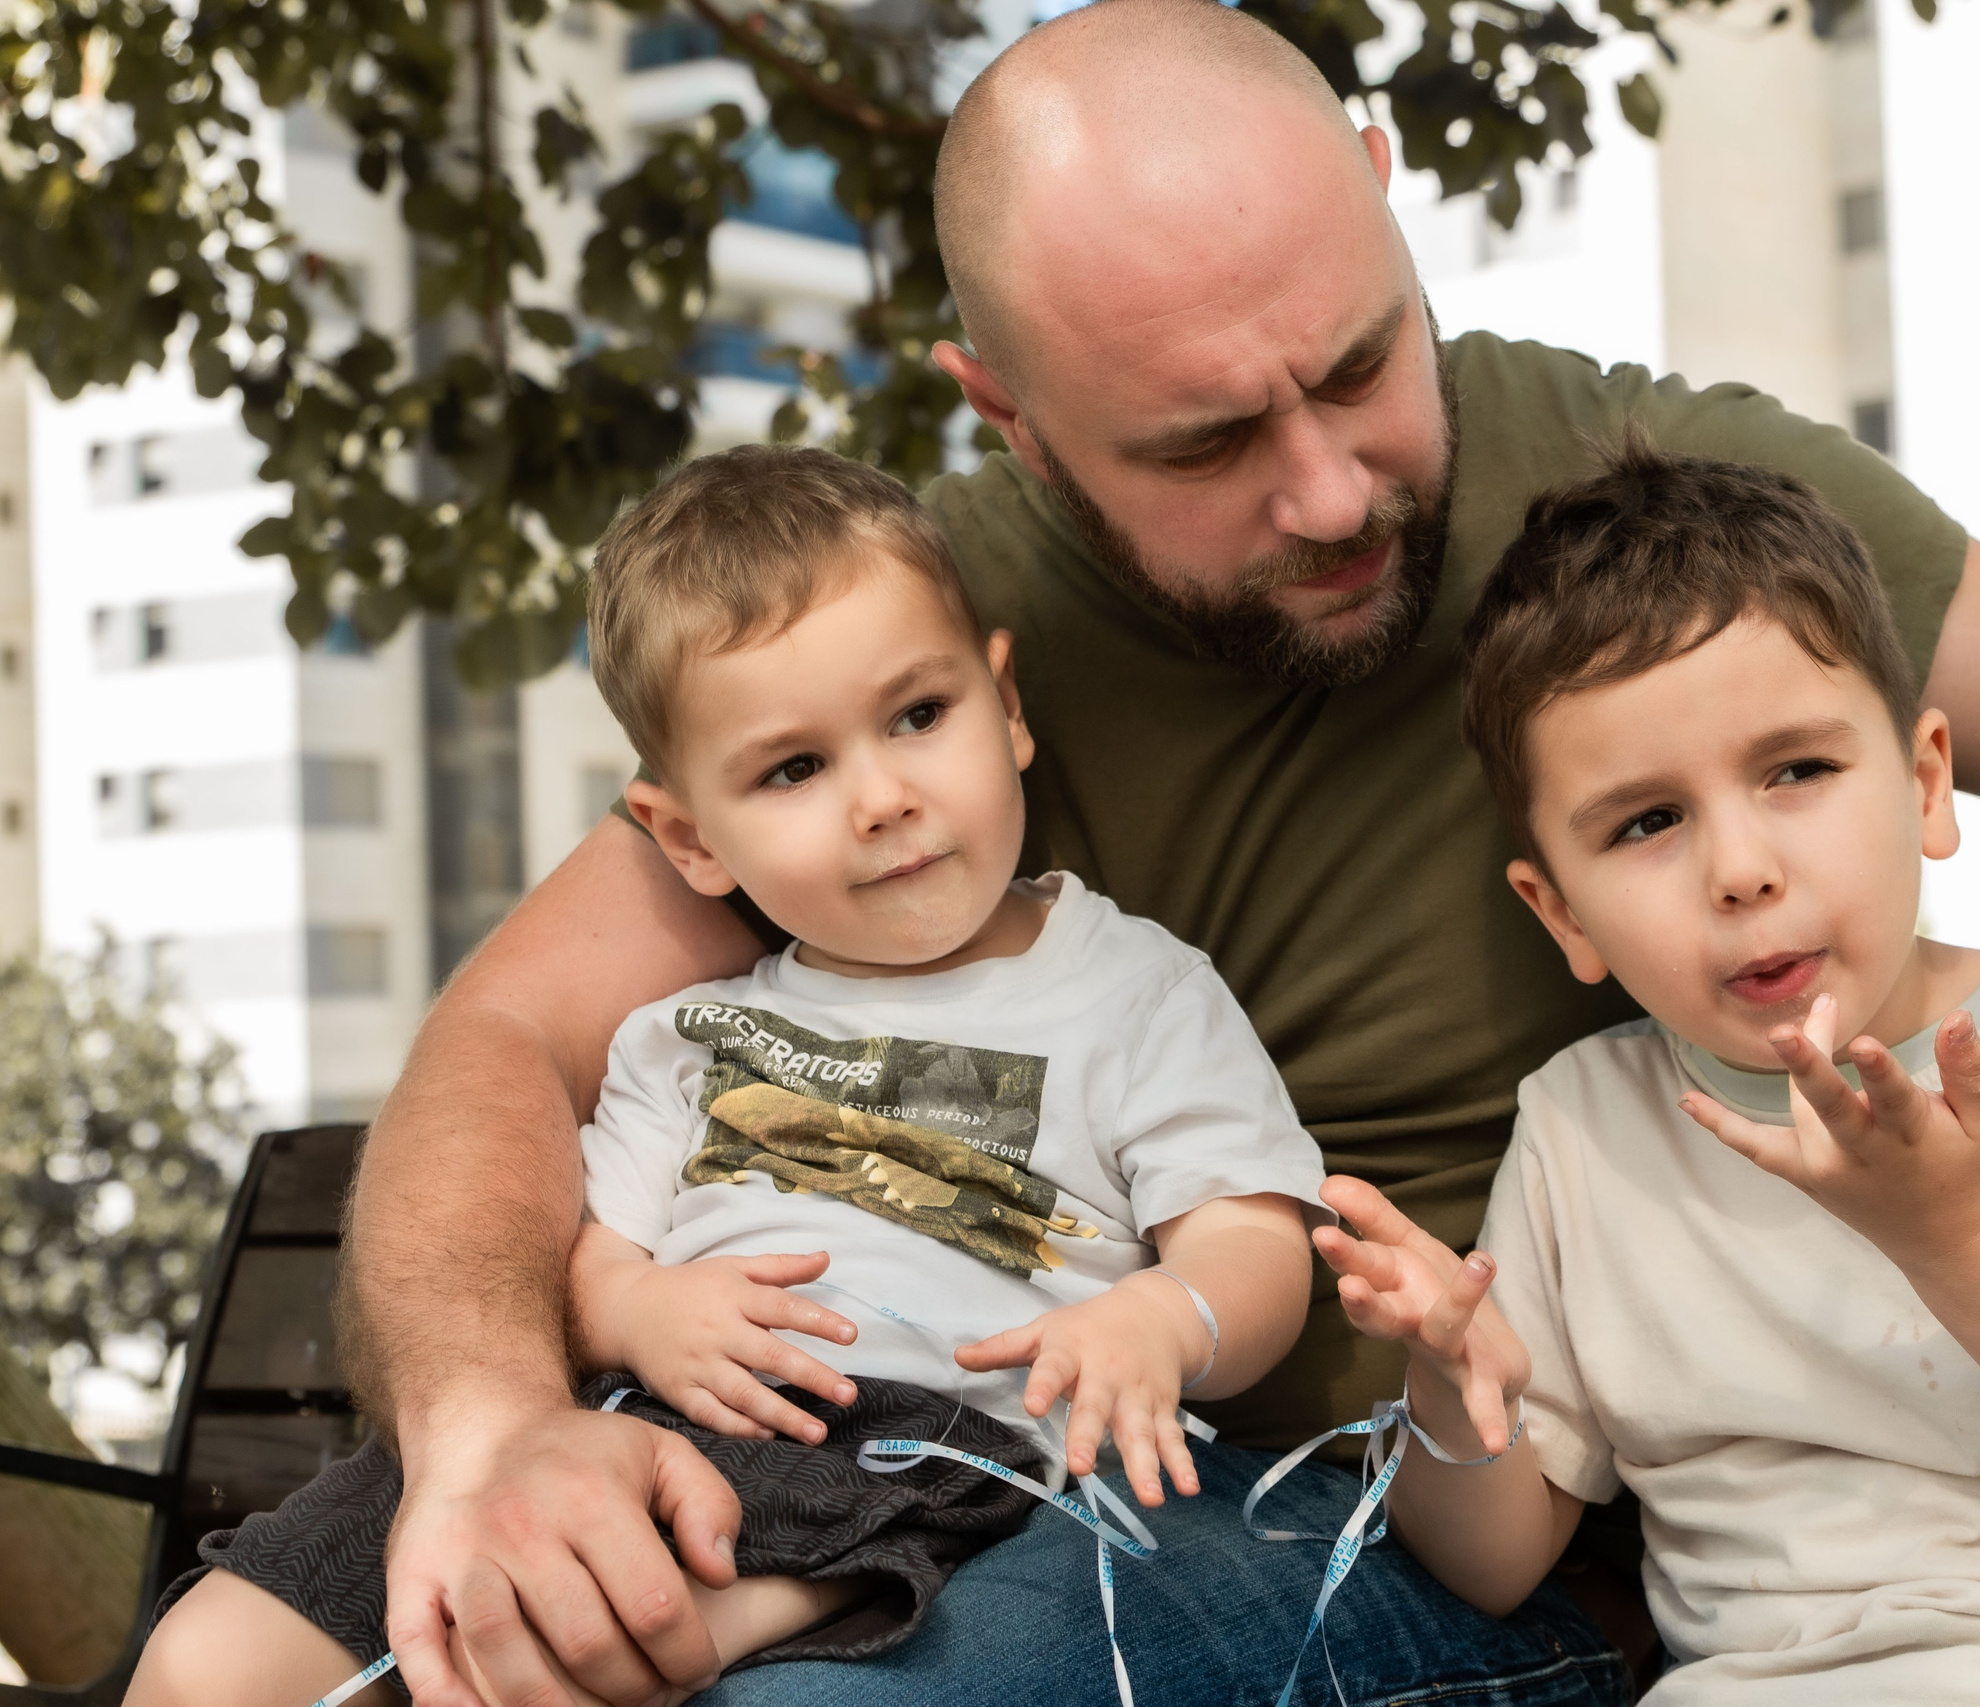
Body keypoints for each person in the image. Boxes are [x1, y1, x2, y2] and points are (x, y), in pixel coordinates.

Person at [340, 2, 1980, 1704]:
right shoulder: (919, 660)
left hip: (1431, 1548)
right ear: (1004, 413)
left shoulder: (1652, 516)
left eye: (1356, 363)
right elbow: (501, 1051)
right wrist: (489, 1430)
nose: (1324, 490)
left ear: (1392, 209)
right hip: (992, 1440)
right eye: (1208, 441)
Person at [131, 447, 1327, 1707]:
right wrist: (639, 1312)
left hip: (913, 1435)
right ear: (691, 839)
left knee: (609, 1644)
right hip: (612, 1414)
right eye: (794, 769)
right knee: (210, 1661)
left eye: (921, 716)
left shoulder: (1136, 990)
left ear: (1007, 704)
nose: (884, 798)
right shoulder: (688, 1033)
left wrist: (1163, 1320)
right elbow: (591, 1256)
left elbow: (1254, 1240)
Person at [1320, 444, 1980, 1703]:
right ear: (1563, 916)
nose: (1741, 870)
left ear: (1925, 784)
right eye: (1647, 822)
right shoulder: (1583, 1130)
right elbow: (1492, 1567)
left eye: (1798, 772)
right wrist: (1451, 1384)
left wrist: (1957, 1235)